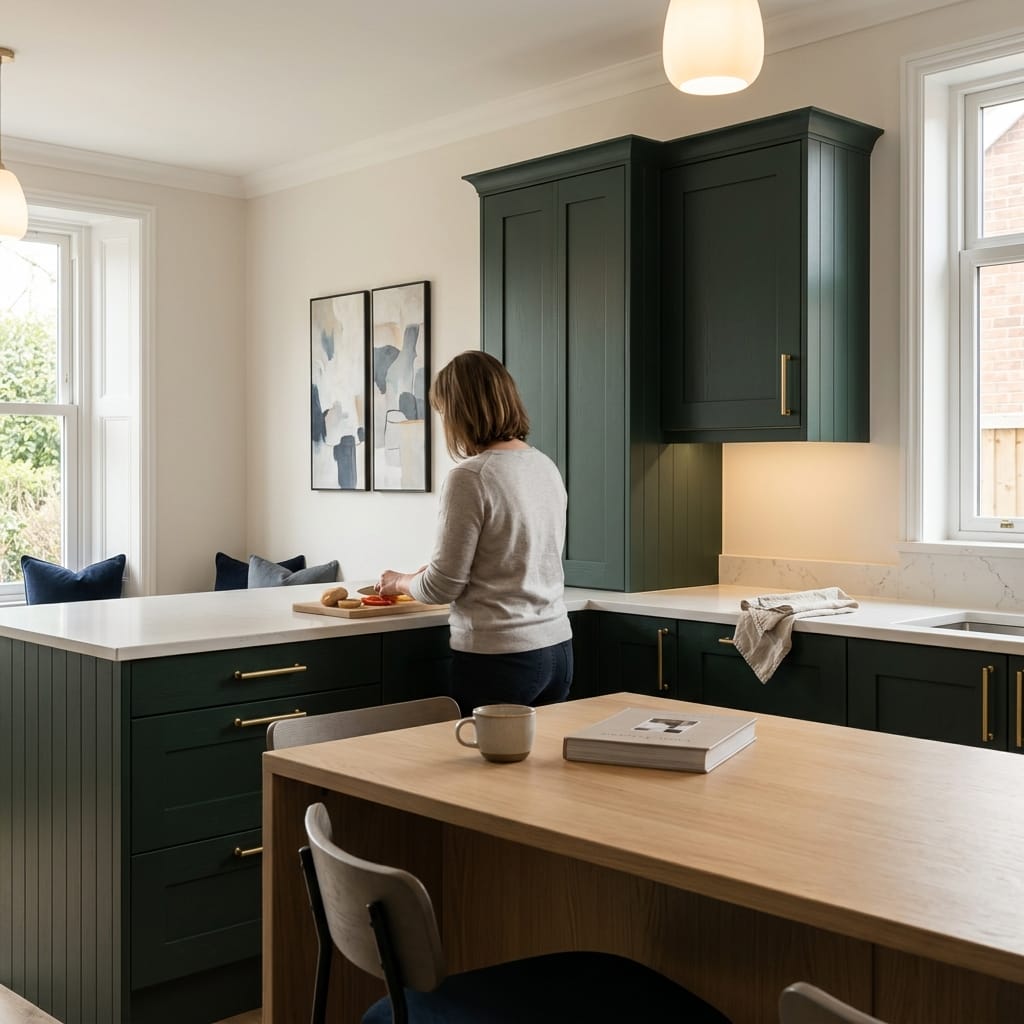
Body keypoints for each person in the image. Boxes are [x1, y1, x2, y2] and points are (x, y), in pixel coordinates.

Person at [376, 350, 573, 716]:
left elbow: (441, 588)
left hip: (501, 658)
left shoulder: (470, 477)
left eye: (444, 412)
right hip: (558, 650)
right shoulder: (544, 466)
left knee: (485, 773)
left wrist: (401, 581)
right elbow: (511, 558)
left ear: (460, 413)